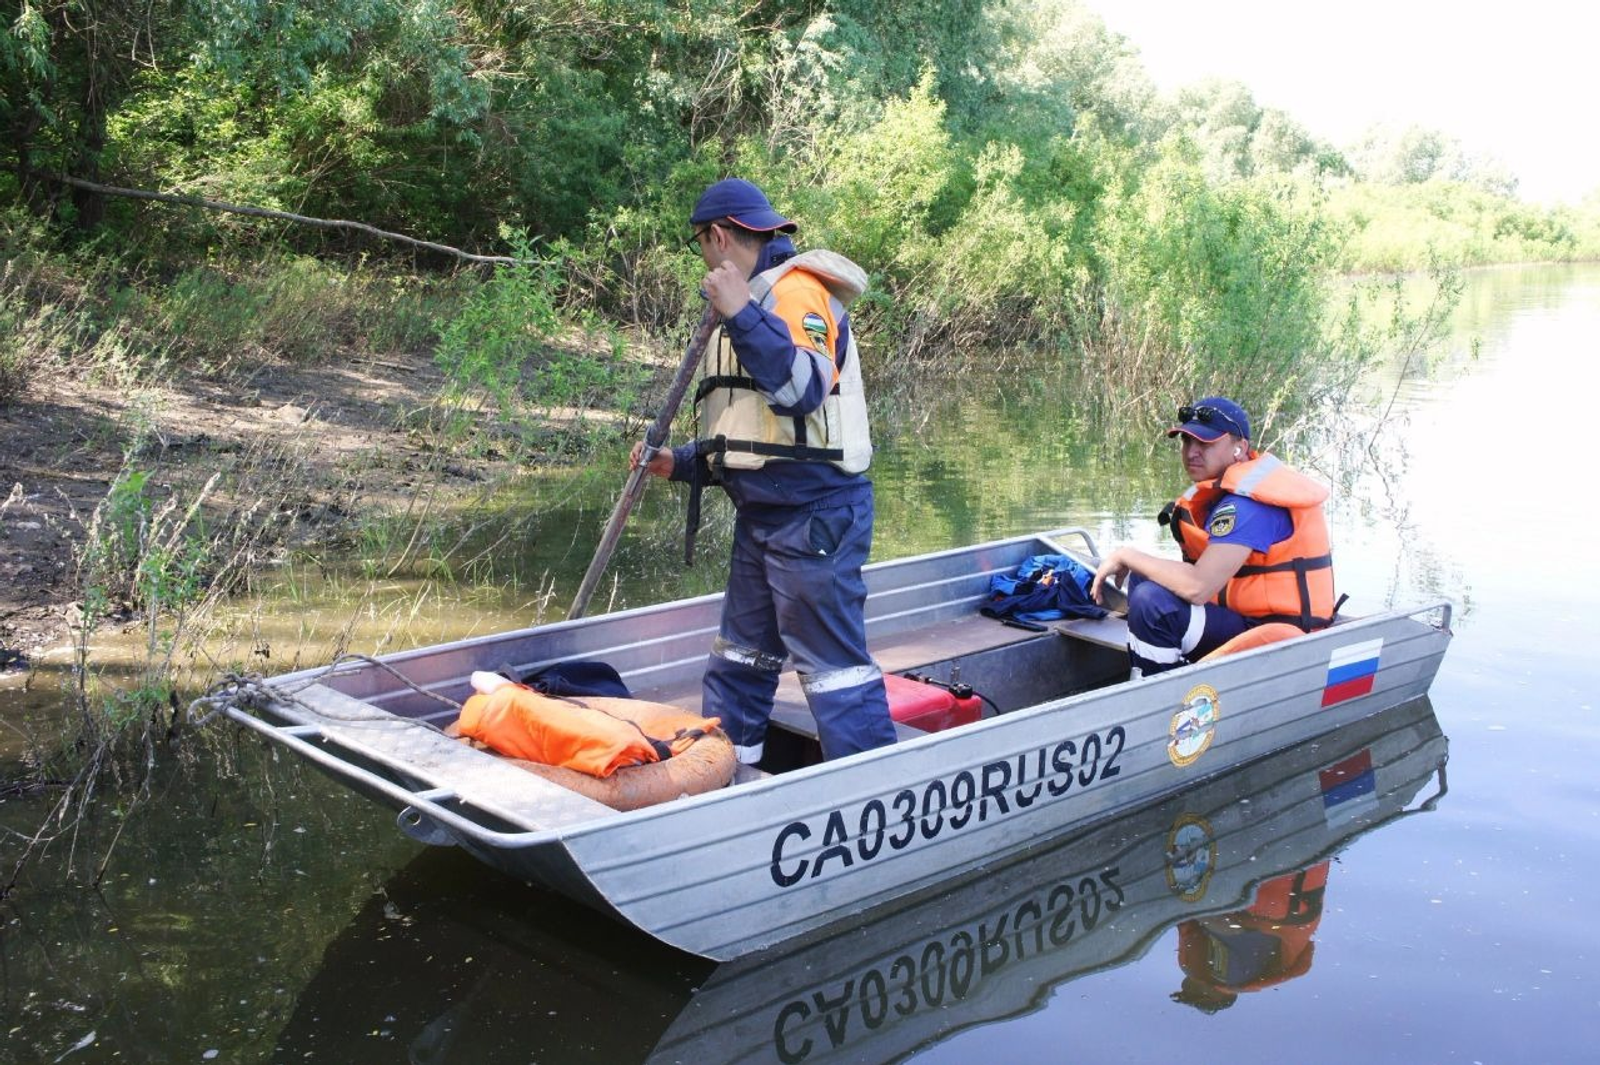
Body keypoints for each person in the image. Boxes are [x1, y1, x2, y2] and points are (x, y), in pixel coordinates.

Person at [630, 178, 896, 765]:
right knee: (738, 661)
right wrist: (680, 463)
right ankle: (728, 775)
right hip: (763, 519)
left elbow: (801, 391)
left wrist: (743, 315)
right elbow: (751, 439)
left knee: (833, 674)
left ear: (719, 235)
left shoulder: (796, 294)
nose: (703, 257)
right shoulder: (750, 302)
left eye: (702, 243)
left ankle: (871, 788)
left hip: (815, 520)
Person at [1089, 396, 1337, 677]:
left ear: (1239, 448)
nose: (1192, 452)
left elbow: (1199, 587)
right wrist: (1136, 564)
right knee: (1144, 577)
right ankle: (1163, 670)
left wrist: (1126, 554)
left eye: (1205, 443)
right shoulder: (1226, 493)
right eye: (1186, 442)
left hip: (1277, 635)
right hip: (1241, 615)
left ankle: (1158, 699)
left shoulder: (1249, 507)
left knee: (1152, 603)